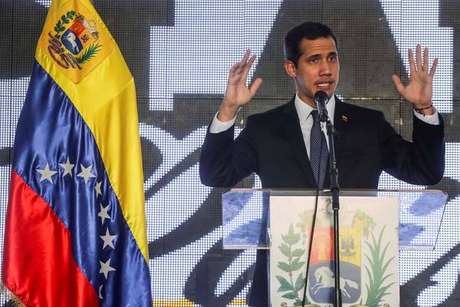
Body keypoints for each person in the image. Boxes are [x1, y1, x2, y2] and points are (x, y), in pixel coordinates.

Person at [199, 22, 445, 306]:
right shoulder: (264, 129)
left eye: (332, 57)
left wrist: (424, 109)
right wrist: (229, 109)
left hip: (356, 282)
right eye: (314, 60)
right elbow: (215, 173)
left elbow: (424, 170)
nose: (326, 69)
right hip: (284, 283)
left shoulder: (368, 125)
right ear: (292, 68)